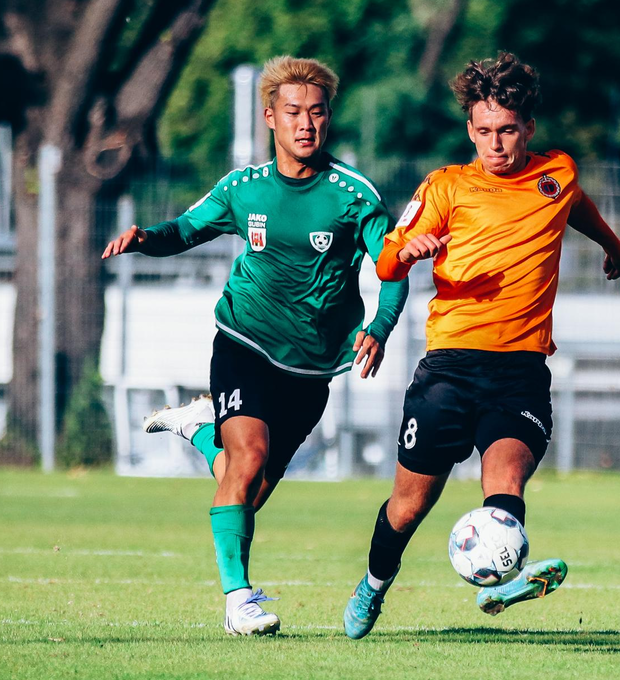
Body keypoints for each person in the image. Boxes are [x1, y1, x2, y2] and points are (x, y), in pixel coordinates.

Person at [101, 56, 408, 636]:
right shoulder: (242, 188)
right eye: (293, 112)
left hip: (313, 365)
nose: (306, 124)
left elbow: (393, 270)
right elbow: (185, 230)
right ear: (270, 117)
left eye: (317, 112)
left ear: (329, 117)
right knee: (247, 460)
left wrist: (380, 325)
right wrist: (145, 239)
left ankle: (198, 429)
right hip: (245, 338)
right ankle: (238, 601)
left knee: (250, 485)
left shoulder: (354, 195)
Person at [341, 52, 620, 640]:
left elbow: (573, 202)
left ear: (528, 127)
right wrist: (408, 251)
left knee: (505, 486)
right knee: (407, 507)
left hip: (521, 371)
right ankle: (373, 585)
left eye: (507, 130)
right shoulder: (445, 186)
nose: (495, 143)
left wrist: (613, 245)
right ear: (469, 130)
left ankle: (501, 581)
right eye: (484, 131)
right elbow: (388, 259)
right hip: (449, 369)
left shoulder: (557, 173)